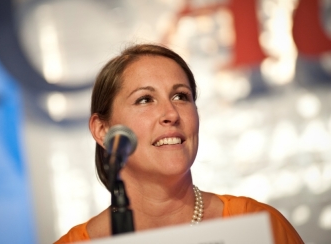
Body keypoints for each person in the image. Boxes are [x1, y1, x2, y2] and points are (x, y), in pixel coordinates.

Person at [54, 44, 303, 243]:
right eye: (145, 100)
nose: (171, 113)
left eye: (180, 96)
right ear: (102, 130)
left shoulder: (258, 225)